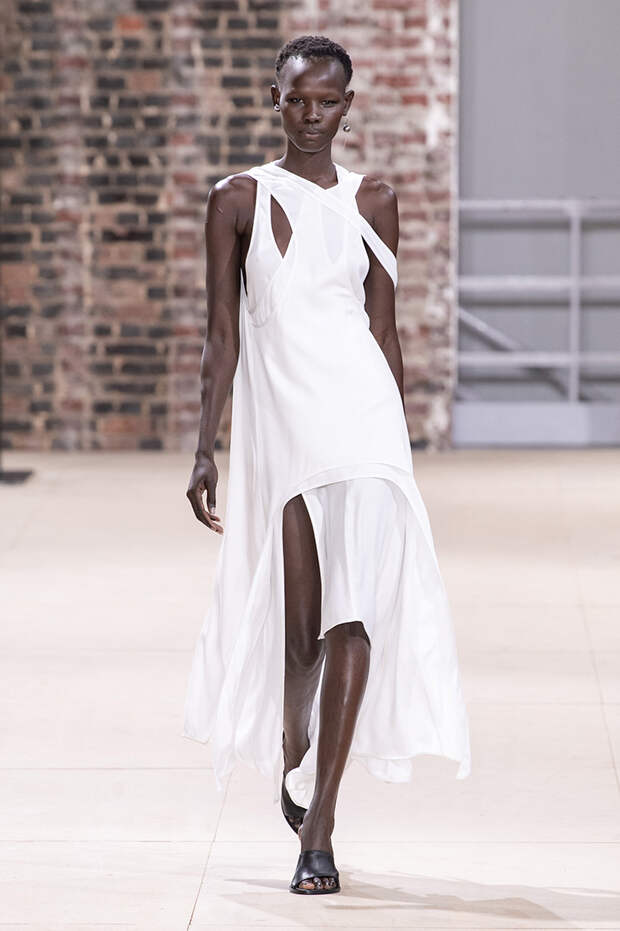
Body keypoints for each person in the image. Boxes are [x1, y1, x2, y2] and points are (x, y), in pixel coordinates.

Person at [183, 34, 471, 896]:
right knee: (302, 627)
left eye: (327, 101)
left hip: (363, 423)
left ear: (349, 105)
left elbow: (384, 330)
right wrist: (204, 444)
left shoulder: (372, 199)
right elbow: (222, 336)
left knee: (355, 615)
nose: (312, 115)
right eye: (297, 99)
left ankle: (321, 827)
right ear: (274, 98)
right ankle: (294, 746)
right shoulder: (236, 199)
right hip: (286, 426)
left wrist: (401, 449)